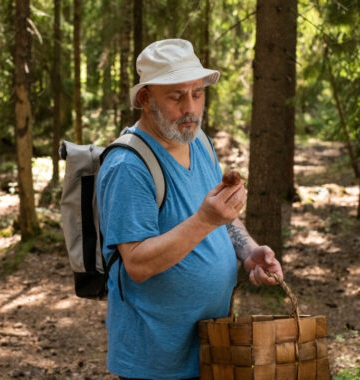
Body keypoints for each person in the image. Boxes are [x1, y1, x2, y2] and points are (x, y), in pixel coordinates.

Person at [96, 39, 284, 380]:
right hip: (155, 362)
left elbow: (222, 219)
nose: (190, 108)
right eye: (176, 96)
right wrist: (204, 220)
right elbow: (137, 263)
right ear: (144, 98)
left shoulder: (198, 141)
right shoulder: (128, 164)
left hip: (212, 348)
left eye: (197, 94)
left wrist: (249, 251)